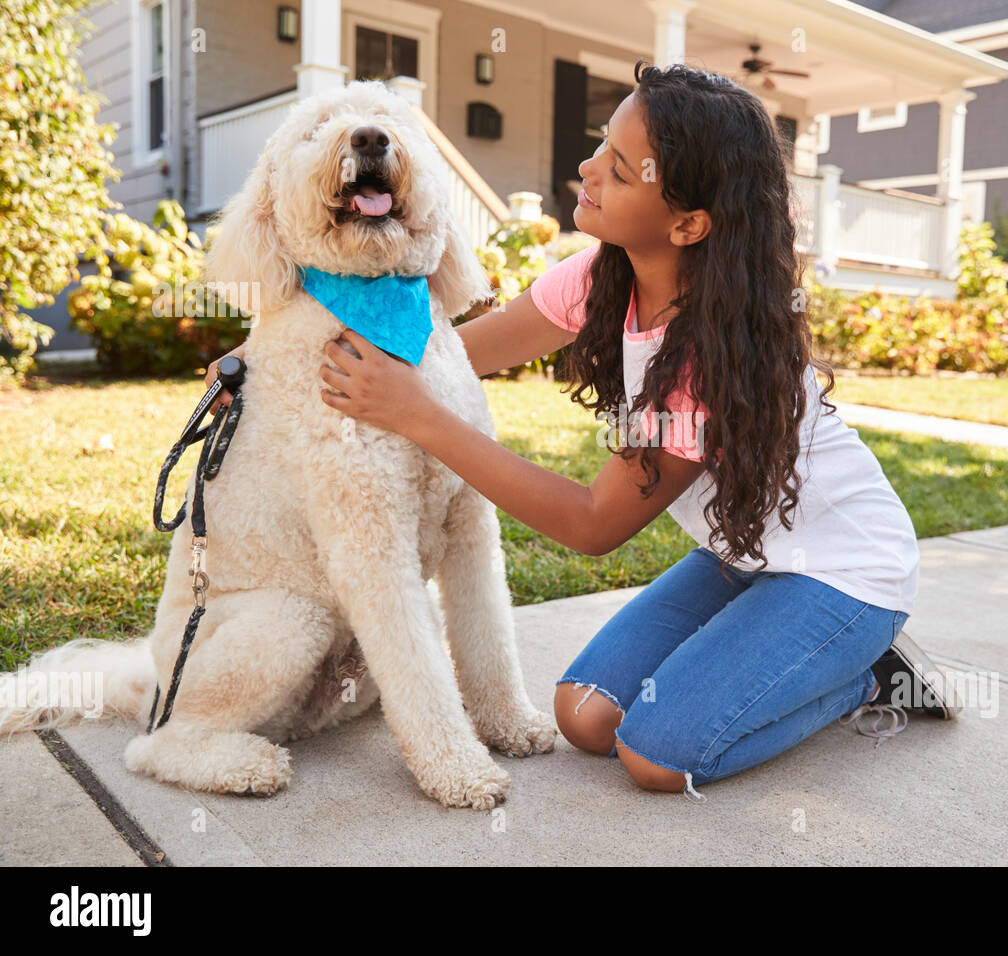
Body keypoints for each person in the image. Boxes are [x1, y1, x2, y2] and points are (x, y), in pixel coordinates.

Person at [205, 61, 955, 801]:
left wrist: (417, 416)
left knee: (657, 756)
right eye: (603, 144)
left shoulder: (707, 357)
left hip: (843, 574)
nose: (586, 169)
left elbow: (593, 525)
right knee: (586, 715)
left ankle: (864, 675)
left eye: (621, 171)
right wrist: (272, 360)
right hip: (745, 555)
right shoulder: (605, 274)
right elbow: (451, 355)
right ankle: (773, 651)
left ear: (688, 223)